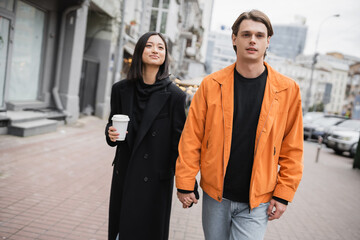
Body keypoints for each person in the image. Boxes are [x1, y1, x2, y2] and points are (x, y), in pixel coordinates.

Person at [175, 10, 304, 240]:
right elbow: (191, 137)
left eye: (259, 35)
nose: (252, 40)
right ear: (234, 39)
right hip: (216, 196)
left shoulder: (288, 90)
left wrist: (283, 194)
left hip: (257, 201)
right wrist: (185, 182)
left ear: (267, 42)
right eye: (246, 34)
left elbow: (292, 148)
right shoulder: (211, 85)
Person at [105, 31, 186, 240]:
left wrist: (187, 184)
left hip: (155, 180)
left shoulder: (175, 97)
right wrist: (110, 134)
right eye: (149, 45)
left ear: (165, 56)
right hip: (125, 174)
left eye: (160, 47)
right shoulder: (120, 90)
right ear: (140, 50)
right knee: (121, 232)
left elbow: (180, 145)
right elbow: (111, 127)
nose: (155, 50)